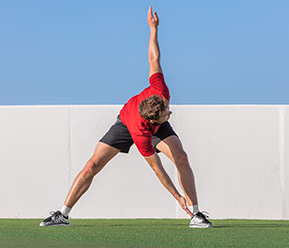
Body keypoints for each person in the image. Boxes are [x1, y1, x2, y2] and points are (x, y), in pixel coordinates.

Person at [40, 6, 212, 228]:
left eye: (167, 108)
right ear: (153, 121)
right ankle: (62, 214)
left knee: (182, 157)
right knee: (92, 165)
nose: (170, 112)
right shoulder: (141, 133)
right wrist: (177, 197)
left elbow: (153, 57)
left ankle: (197, 215)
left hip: (149, 123)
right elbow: (157, 169)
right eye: (166, 114)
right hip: (126, 124)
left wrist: (153, 28)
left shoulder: (159, 90)